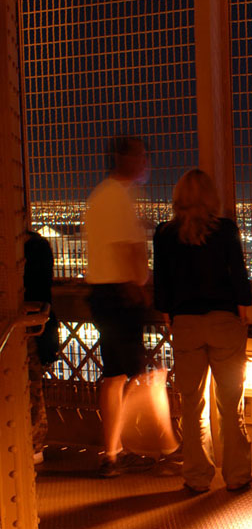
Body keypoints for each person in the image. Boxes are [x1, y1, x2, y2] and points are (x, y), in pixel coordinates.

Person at [153, 168, 252, 494]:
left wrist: (170, 315)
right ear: (212, 197)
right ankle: (237, 476)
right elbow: (238, 275)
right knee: (230, 404)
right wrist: (242, 311)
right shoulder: (225, 230)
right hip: (224, 321)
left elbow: (162, 283)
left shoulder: (165, 234)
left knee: (192, 404)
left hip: (185, 324)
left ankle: (197, 477)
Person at [84, 137, 155, 478]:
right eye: (141, 156)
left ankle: (113, 451)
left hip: (103, 294)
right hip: (120, 296)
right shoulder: (118, 198)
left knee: (115, 375)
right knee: (132, 375)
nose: (146, 162)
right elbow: (127, 249)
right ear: (124, 159)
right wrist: (141, 289)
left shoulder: (100, 196)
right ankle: (141, 445)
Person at [24, 229, 58, 464]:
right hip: (35, 330)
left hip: (25, 330)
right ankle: (35, 444)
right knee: (33, 384)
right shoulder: (38, 246)